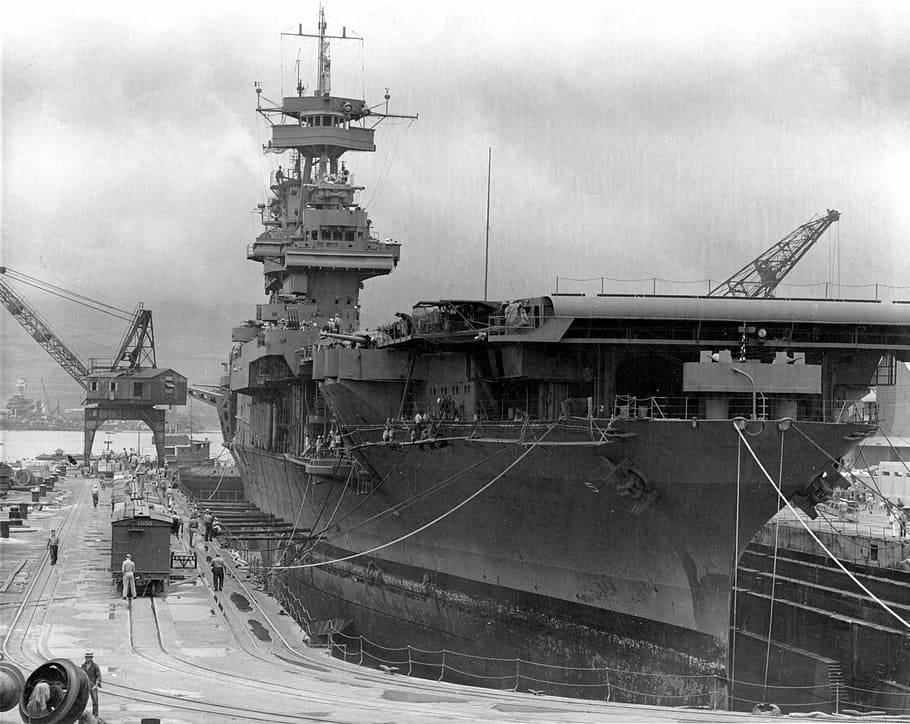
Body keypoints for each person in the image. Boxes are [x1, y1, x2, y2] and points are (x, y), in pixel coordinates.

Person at [81, 650, 102, 718]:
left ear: (91, 658)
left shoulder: (95, 666)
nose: (86, 658)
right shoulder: (83, 666)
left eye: (88, 657)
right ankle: (82, 713)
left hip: (93, 686)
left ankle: (95, 715)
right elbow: (81, 675)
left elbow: (98, 675)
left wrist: (96, 684)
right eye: (86, 657)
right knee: (82, 700)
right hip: (86, 686)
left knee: (95, 700)